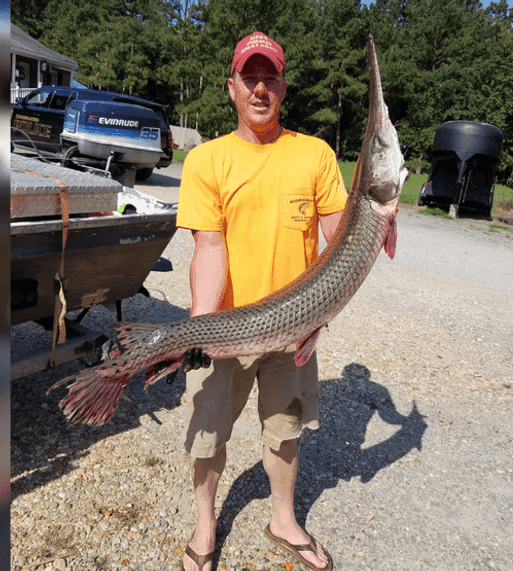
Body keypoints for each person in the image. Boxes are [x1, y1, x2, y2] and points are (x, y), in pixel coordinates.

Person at [174, 31, 346, 571]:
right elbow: (209, 246)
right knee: (206, 437)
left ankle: (283, 519)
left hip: (294, 327)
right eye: (250, 77)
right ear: (231, 88)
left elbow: (341, 244)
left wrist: (321, 315)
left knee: (286, 431)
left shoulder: (315, 154)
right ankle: (205, 526)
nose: (260, 88)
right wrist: (202, 325)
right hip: (225, 329)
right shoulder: (206, 160)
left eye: (270, 77)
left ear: (283, 86)